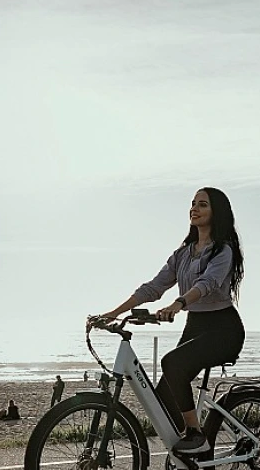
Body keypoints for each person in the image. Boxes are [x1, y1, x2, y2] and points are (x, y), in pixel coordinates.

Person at [97, 186, 245, 454]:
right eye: (193, 204)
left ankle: (196, 434)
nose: (194, 209)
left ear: (217, 212)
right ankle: (187, 456)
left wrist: (178, 304)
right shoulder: (182, 254)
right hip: (196, 326)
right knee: (164, 396)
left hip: (224, 329)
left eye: (202, 204)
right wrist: (114, 312)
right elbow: (153, 288)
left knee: (171, 363)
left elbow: (208, 283)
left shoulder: (223, 250)